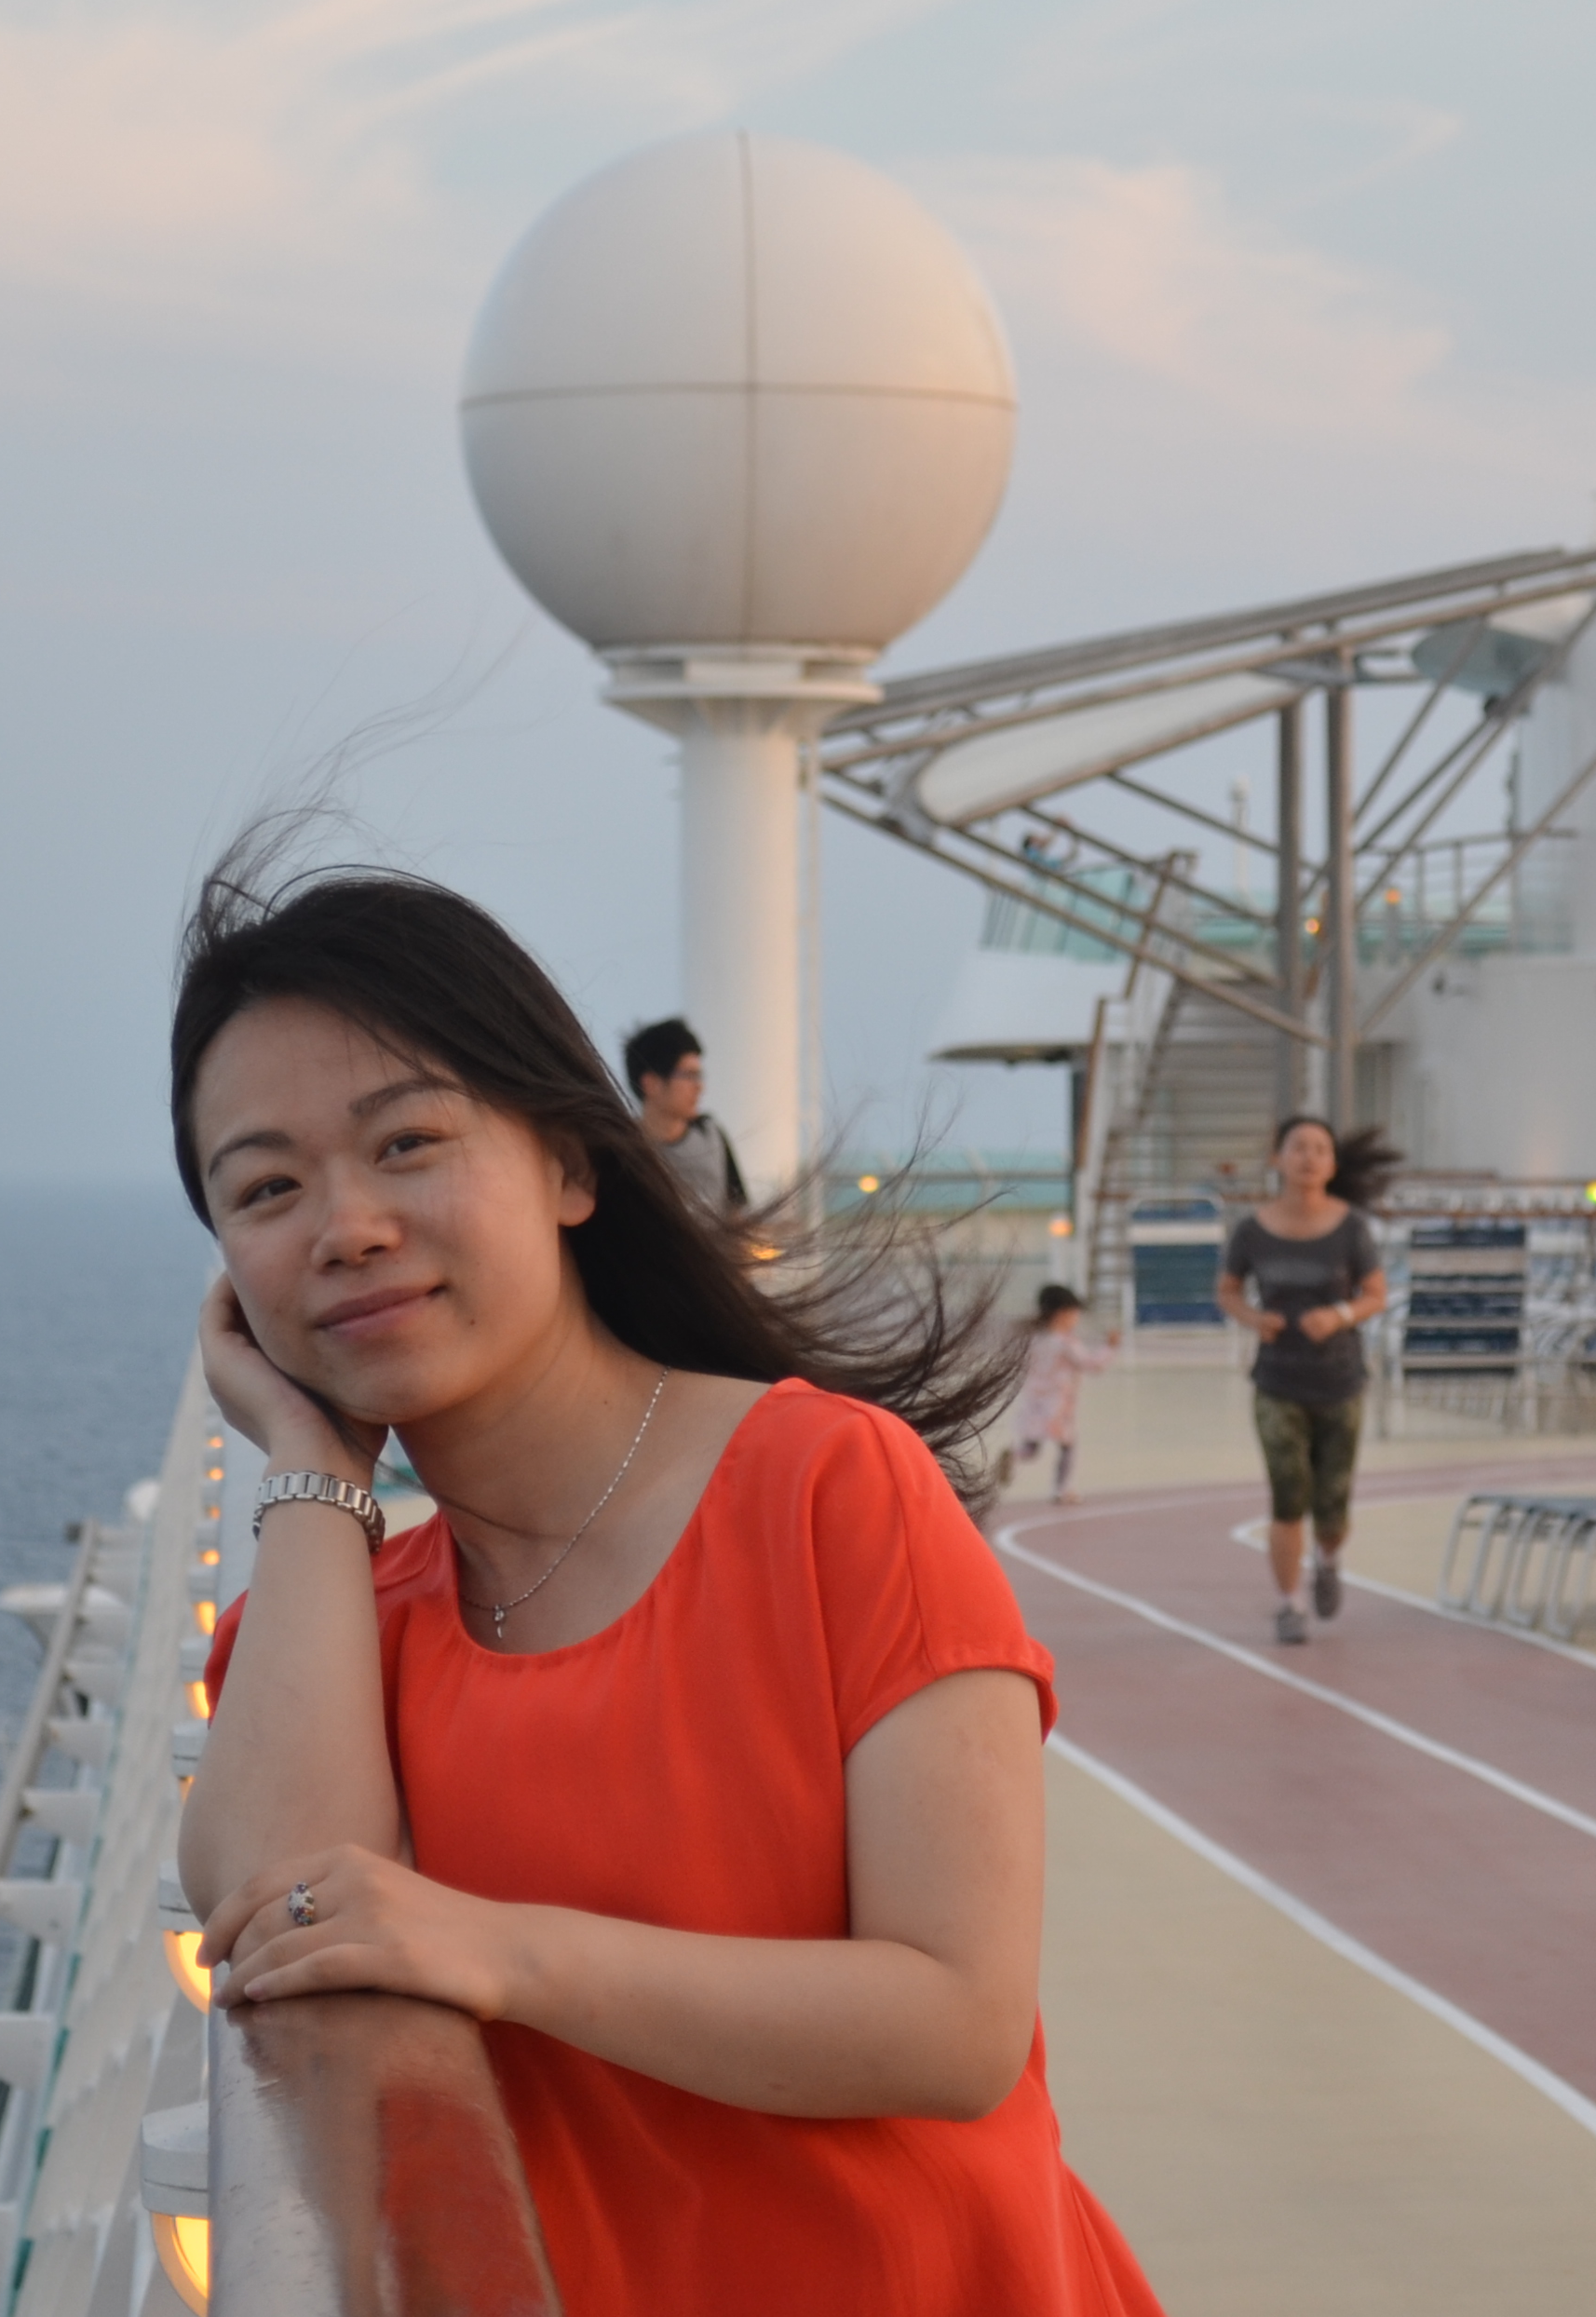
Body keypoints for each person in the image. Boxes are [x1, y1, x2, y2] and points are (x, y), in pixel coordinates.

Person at [177, 861, 1158, 2313]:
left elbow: (955, 2023)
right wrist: (311, 1462)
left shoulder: (830, 1489)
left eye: (408, 1143)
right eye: (266, 1188)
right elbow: (286, 1916)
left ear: (574, 1167)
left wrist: (500, 1951)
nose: (346, 1227)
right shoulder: (343, 1618)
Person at [1221, 1114, 1390, 1648]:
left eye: (1320, 1148)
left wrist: (1337, 1315)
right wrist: (1255, 1319)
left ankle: (1330, 1558)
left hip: (1340, 1381)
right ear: (1278, 1158)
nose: (1310, 1157)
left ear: (1332, 1163)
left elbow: (1375, 1294)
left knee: (1333, 1505)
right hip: (1278, 1382)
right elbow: (1227, 1291)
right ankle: (1289, 1604)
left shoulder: (1351, 1229)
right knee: (1288, 1496)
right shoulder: (1251, 1230)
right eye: (1299, 1147)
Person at [620, 1014, 746, 1216]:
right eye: (689, 1075)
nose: (699, 1087)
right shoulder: (622, 1150)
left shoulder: (712, 1135)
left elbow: (737, 1216)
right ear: (651, 1083)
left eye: (699, 1075)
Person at [1005, 1284, 1112, 1506]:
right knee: (1067, 1447)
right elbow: (1091, 1365)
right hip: (1058, 1405)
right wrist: (1109, 1348)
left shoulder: (1034, 1339)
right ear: (1062, 1314)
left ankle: (1014, 1454)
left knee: (1031, 1447)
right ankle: (1062, 1490)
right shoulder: (1065, 1343)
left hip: (1033, 1402)